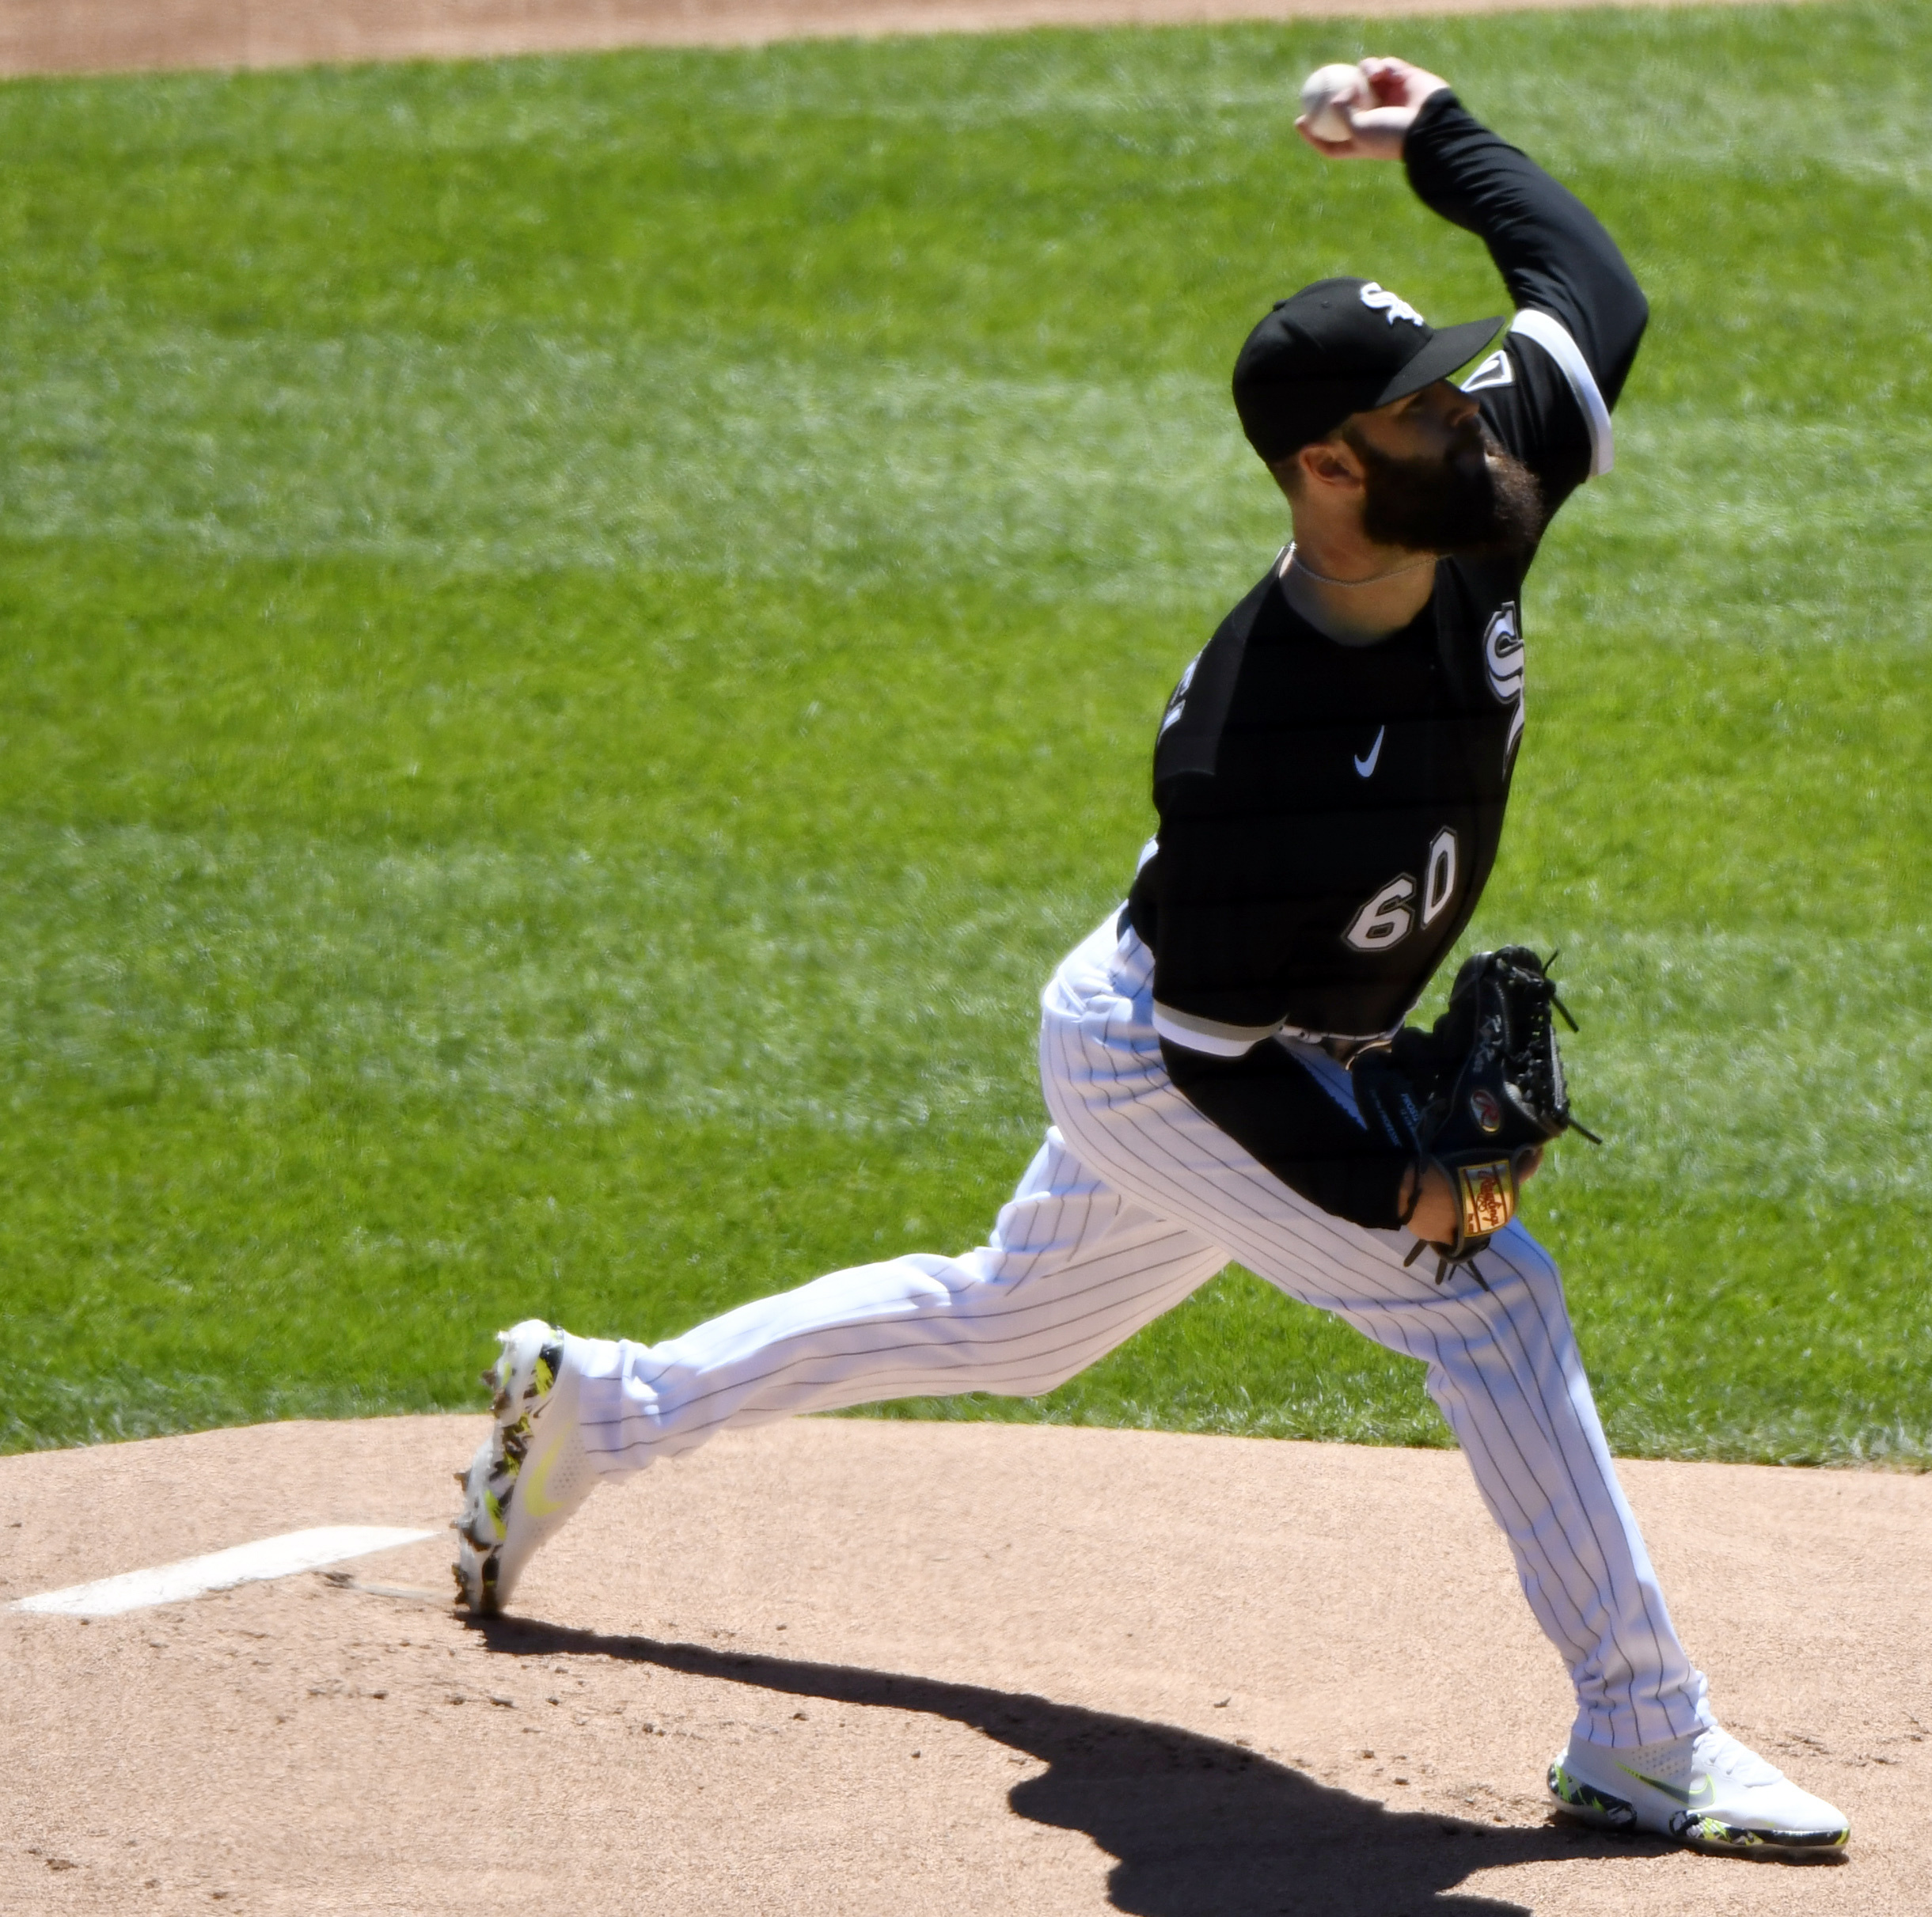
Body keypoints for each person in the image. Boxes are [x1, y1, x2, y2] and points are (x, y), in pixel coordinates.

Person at [450, 55, 1849, 1857]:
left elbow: (1594, 295)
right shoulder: (1254, 746)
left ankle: (603, 1402)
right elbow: (1202, 1052)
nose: (1473, 426)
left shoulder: (1480, 501)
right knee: (1492, 1303)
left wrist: (1435, 135)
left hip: (1255, 1033)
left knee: (1010, 1318)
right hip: (1176, 1050)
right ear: (1328, 469)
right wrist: (1392, 1185)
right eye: (1425, 414)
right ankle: (1644, 1732)